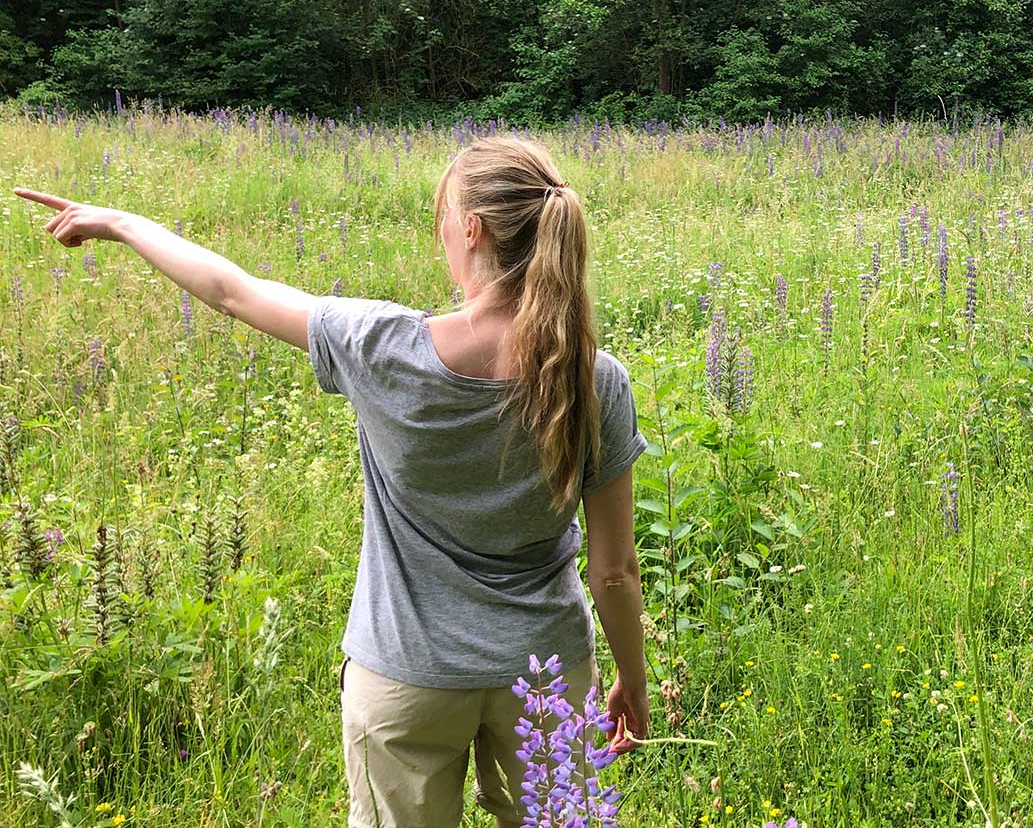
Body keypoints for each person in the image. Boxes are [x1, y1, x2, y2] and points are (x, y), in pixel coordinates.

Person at [14, 136, 650, 828]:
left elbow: (231, 292)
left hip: (405, 675)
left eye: (443, 215)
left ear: (472, 228)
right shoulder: (594, 378)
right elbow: (613, 572)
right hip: (543, 675)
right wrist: (632, 682)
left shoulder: (381, 346)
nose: (440, 232)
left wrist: (122, 221)